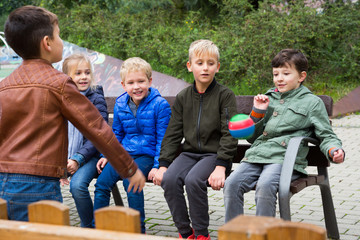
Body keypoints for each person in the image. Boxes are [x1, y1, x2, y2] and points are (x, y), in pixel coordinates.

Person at [0, 5, 145, 222]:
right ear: (47, 43)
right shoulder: (59, 83)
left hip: (3, 182)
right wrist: (129, 168)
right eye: (59, 36)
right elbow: (97, 128)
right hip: (38, 186)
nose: (61, 41)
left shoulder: (6, 85)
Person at [223, 49, 345, 222]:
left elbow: (326, 135)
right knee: (231, 184)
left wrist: (334, 149)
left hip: (284, 159)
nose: (279, 78)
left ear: (301, 76)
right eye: (275, 74)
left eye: (286, 73)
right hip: (256, 156)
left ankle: (263, 234)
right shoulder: (268, 98)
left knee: (265, 185)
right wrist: (257, 112)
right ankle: (233, 233)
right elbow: (251, 138)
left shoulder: (312, 103)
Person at [153, 39, 238, 240]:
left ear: (217, 67)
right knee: (170, 179)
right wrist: (163, 164)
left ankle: (201, 234)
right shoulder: (183, 97)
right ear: (190, 66)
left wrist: (221, 165)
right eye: (200, 63)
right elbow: (173, 133)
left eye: (210, 63)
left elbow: (230, 132)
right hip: (189, 153)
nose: (205, 68)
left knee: (193, 180)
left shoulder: (225, 95)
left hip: (213, 155)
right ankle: (185, 233)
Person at [93, 57, 171, 233]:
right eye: (131, 82)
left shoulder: (160, 105)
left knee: (132, 184)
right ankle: (97, 230)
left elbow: (163, 140)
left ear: (149, 81)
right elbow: (117, 134)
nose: (136, 86)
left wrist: (158, 166)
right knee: (102, 184)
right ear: (123, 85)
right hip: (123, 155)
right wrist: (107, 155)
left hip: (147, 156)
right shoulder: (121, 104)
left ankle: (138, 232)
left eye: (141, 81)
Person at [59, 53, 108, 228]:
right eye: (78, 73)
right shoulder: (61, 98)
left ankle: (88, 227)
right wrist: (60, 162)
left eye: (87, 72)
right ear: (67, 77)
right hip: (67, 155)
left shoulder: (96, 98)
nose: (84, 77)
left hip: (91, 155)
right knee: (41, 180)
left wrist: (78, 159)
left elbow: (98, 135)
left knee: (77, 186)